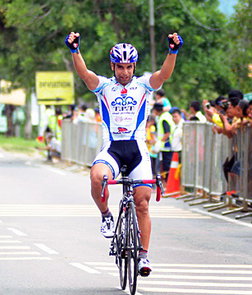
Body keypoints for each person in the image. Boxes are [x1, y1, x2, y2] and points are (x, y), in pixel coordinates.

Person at [65, 30, 183, 276]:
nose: (125, 72)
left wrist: (172, 51)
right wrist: (75, 50)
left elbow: (164, 74)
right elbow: (84, 74)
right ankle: (107, 215)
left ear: (134, 66)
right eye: (120, 67)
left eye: (129, 67)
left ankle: (143, 256)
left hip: (138, 149)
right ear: (113, 65)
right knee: (97, 176)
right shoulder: (104, 87)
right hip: (113, 148)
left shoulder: (143, 85)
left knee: (142, 202)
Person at [152, 103, 175, 181]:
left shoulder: (163, 118)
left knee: (166, 166)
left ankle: (167, 184)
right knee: (166, 166)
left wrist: (159, 144)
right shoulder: (167, 115)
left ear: (156, 110)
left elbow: (167, 133)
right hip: (169, 145)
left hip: (167, 146)